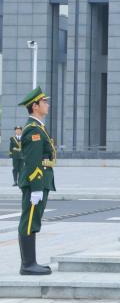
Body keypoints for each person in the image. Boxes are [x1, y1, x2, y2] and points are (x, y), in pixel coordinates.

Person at [16, 88, 56, 276]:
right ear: (35, 106)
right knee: (29, 220)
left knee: (33, 220)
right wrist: (36, 188)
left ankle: (30, 263)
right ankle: (28, 265)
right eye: (44, 102)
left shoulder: (39, 127)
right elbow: (33, 161)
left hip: (40, 181)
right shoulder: (33, 129)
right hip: (36, 182)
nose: (47, 104)